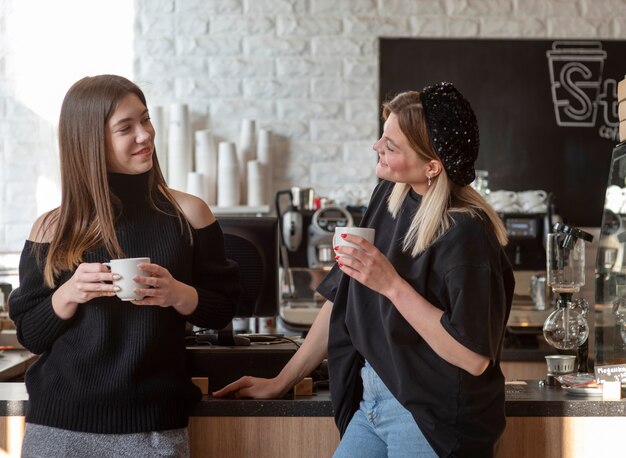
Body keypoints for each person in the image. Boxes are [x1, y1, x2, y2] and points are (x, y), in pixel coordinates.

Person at [214, 82, 514, 457]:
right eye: (382, 137)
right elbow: (342, 297)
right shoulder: (388, 197)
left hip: (433, 418)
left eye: (391, 147)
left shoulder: (466, 232)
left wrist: (391, 285)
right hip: (372, 400)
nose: (377, 148)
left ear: (432, 166)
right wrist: (281, 380)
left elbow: (474, 357)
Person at [8, 74, 241, 457]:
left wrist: (177, 294)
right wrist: (69, 293)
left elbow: (224, 308)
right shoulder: (52, 227)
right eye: (125, 128)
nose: (145, 135)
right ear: (90, 142)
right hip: (59, 425)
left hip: (152, 426)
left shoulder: (189, 214)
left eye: (146, 120)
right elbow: (31, 335)